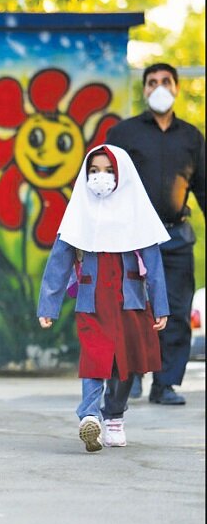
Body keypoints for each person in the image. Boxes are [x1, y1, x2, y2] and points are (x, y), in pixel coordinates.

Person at [38, 145, 170, 452]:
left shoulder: (138, 212)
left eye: (108, 170)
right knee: (95, 358)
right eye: (94, 171)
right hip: (91, 300)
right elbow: (60, 259)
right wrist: (49, 305)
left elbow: (154, 262)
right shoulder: (79, 211)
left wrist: (160, 305)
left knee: (127, 365)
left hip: (130, 302)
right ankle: (89, 416)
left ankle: (114, 416)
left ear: (122, 174)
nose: (101, 177)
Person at [106, 63, 205, 405]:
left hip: (176, 237)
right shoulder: (123, 134)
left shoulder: (192, 137)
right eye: (152, 82)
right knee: (129, 308)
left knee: (175, 311)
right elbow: (102, 184)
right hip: (131, 239)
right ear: (144, 90)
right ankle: (128, 376)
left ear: (176, 88)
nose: (159, 87)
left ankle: (165, 383)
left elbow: (203, 187)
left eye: (166, 81)